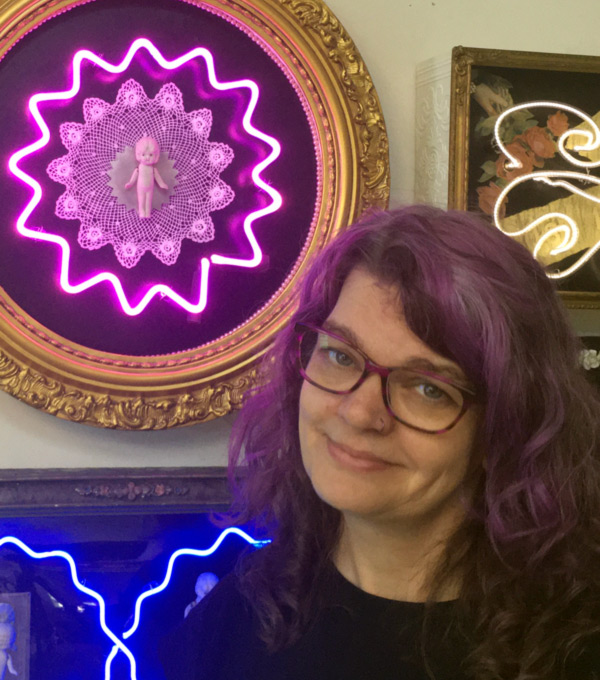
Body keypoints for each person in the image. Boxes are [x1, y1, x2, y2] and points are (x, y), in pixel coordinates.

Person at [163, 205, 600, 680]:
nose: (359, 412)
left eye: (429, 387)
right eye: (339, 355)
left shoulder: (575, 647)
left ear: (506, 428)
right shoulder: (233, 617)